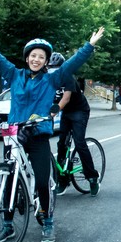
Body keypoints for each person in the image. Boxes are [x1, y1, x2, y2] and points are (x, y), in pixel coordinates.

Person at [0, 14, 104, 242]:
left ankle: (47, 222)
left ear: (46, 61)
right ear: (27, 58)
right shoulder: (14, 75)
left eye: (41, 57)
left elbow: (72, 64)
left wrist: (89, 45)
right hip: (14, 135)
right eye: (33, 56)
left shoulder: (51, 79)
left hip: (38, 135)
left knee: (41, 180)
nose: (37, 59)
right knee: (9, 178)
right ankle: (7, 224)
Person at [47, 52, 100, 197]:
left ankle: (92, 177)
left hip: (79, 111)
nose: (54, 70)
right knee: (61, 144)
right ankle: (62, 180)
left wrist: (51, 113)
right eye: (51, 67)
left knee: (79, 142)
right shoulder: (48, 79)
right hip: (66, 112)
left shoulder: (68, 78)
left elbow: (65, 99)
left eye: (57, 68)